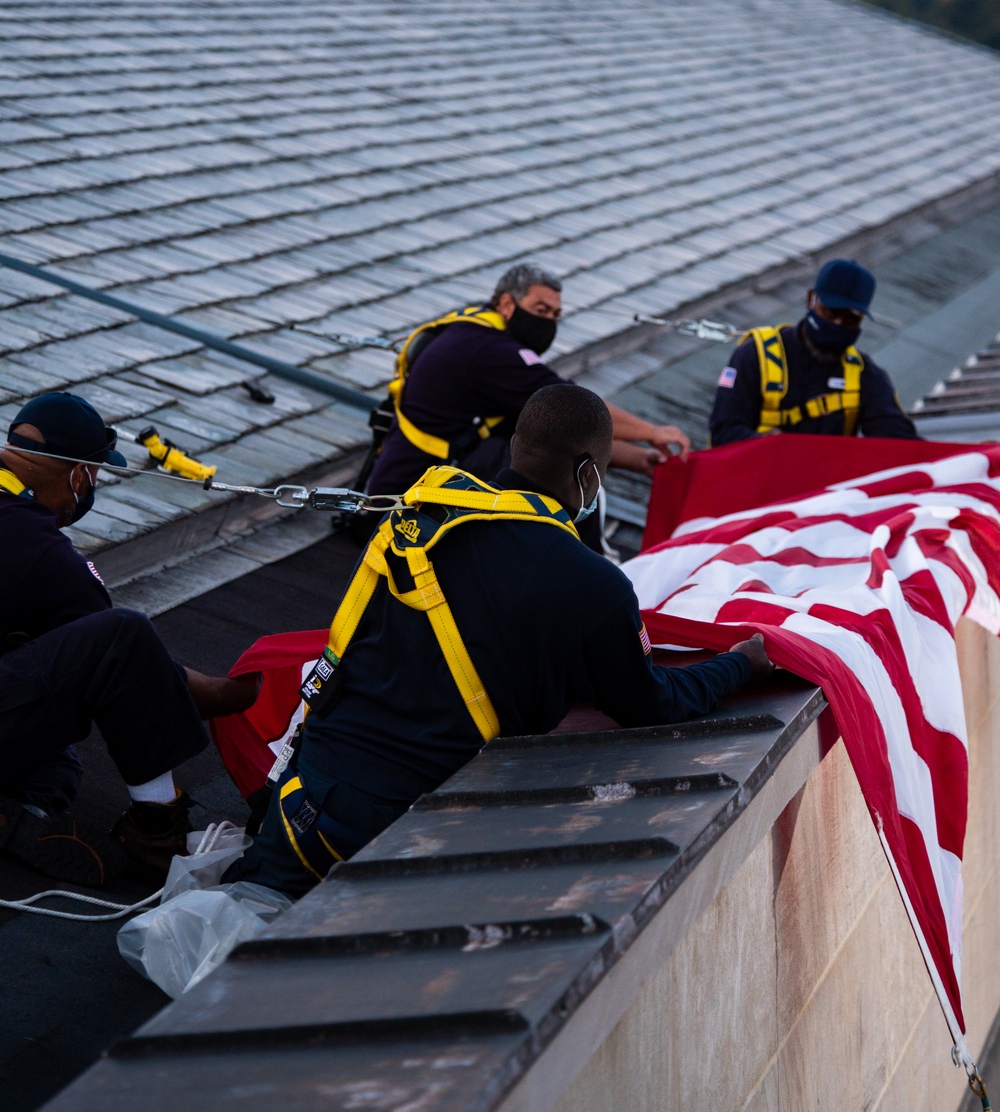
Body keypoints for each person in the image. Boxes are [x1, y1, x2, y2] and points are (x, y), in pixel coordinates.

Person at [229, 384, 775, 897]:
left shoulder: (418, 520)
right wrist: (739, 665)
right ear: (588, 476)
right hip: (396, 821)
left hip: (303, 794)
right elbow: (650, 703)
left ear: (515, 445)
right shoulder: (592, 583)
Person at [0, 391, 257, 888]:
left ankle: (21, 805)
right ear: (77, 474)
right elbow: (134, 667)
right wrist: (245, 692)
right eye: (93, 477)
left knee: (55, 763)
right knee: (124, 633)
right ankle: (154, 834)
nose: (90, 489)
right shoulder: (40, 550)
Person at [365, 262, 692, 503]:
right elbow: (571, 410)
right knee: (562, 484)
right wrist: (652, 432)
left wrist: (638, 458)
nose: (547, 321)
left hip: (404, 487)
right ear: (506, 304)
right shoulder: (491, 352)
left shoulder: (475, 328)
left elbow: (551, 433)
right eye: (540, 309)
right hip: (405, 505)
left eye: (555, 315)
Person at [708, 259, 918, 446]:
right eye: (831, 312)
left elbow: (899, 441)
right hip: (758, 480)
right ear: (811, 299)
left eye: (850, 319)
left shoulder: (864, 375)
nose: (838, 324)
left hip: (825, 487)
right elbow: (724, 431)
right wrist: (764, 444)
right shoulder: (756, 356)